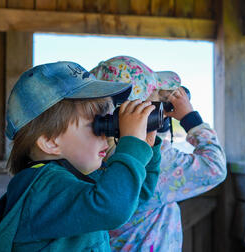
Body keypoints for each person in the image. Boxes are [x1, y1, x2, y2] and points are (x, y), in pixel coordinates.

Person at [0, 61, 162, 251]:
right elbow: (113, 208)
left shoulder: (72, 180)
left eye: (107, 121)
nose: (107, 134)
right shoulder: (42, 190)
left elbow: (138, 195)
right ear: (51, 141)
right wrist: (131, 143)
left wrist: (146, 147)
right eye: (97, 124)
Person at [91, 56, 227, 251]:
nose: (160, 111)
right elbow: (215, 167)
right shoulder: (152, 163)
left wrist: (155, 127)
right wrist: (190, 118)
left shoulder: (89, 158)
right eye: (154, 104)